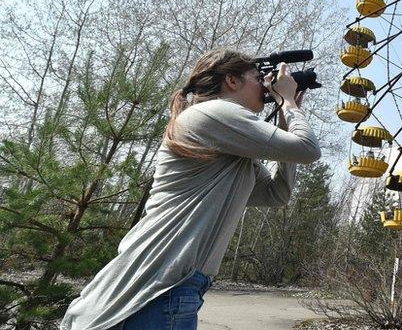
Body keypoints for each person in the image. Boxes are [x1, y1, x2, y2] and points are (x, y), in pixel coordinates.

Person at [60, 49, 322, 330]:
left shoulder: (231, 145)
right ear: (231, 81)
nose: (266, 85)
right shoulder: (214, 113)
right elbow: (308, 149)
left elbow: (276, 193)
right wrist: (290, 106)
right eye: (258, 78)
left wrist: (285, 117)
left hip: (168, 286)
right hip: (160, 288)